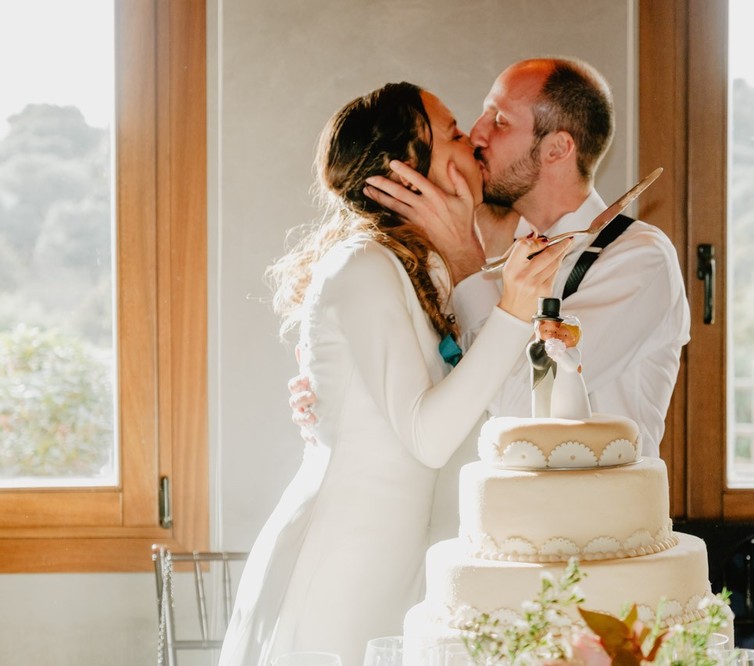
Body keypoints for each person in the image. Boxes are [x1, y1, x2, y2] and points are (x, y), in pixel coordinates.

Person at [218, 82, 567, 666]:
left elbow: (461, 408)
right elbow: (427, 437)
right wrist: (512, 309)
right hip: (339, 563)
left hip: (401, 562)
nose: (471, 143)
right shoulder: (362, 265)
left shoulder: (419, 270)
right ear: (408, 171)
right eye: (453, 133)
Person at [310, 57, 692, 459]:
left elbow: (519, 407)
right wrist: (338, 393)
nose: (477, 134)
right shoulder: (488, 247)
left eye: (500, 120)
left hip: (594, 519)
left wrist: (465, 266)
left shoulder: (638, 260)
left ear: (557, 148)